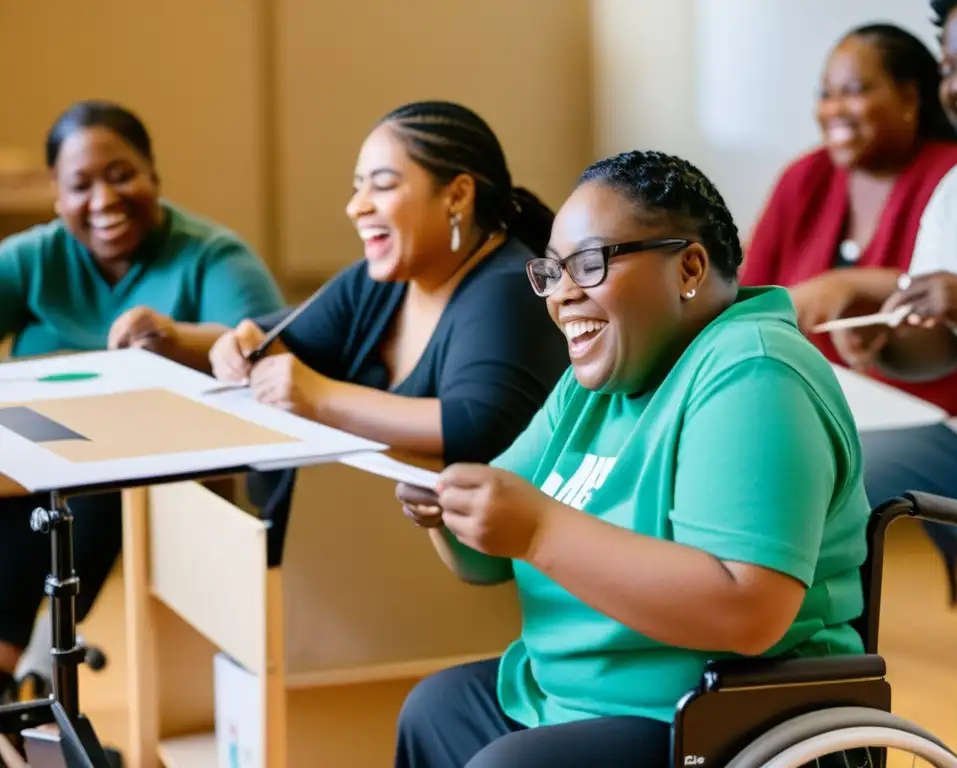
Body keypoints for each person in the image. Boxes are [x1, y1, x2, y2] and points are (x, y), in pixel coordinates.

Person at [392, 151, 871, 768]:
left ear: (689, 267)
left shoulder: (753, 372)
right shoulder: (589, 389)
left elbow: (746, 610)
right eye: (552, 272)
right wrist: (448, 511)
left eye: (589, 265)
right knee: (437, 711)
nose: (563, 295)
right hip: (579, 698)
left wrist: (536, 530)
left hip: (718, 716)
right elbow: (488, 557)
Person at [0, 101, 284, 709]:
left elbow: (272, 341)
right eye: (81, 185)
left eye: (122, 174)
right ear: (56, 195)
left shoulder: (209, 255)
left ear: (153, 173)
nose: (103, 199)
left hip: (148, 483)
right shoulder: (35, 258)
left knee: (90, 491)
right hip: (30, 469)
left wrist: (179, 341)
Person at [208, 101, 569, 532]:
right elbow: (281, 341)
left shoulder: (506, 287)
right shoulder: (380, 282)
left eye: (382, 186)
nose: (356, 207)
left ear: (457, 195)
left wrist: (320, 397)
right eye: (358, 187)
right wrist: (239, 346)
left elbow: (477, 423)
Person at [834, 0, 957, 707]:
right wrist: (887, 344)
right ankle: (828, 709)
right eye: (950, 65)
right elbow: (942, 345)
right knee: (833, 475)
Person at [742, 23, 957, 416]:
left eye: (854, 91)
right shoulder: (804, 176)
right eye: (826, 94)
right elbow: (750, 294)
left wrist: (847, 284)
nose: (834, 109)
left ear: (909, 98)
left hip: (930, 413)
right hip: (804, 402)